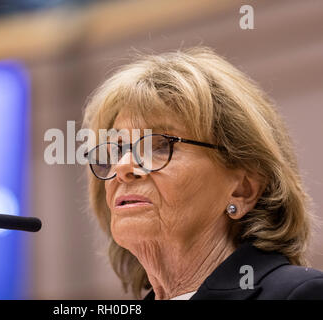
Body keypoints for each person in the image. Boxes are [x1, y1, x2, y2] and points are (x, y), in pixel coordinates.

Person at [81, 47, 323, 300]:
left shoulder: (298, 294)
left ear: (243, 190)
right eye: (117, 150)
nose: (122, 167)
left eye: (160, 146)